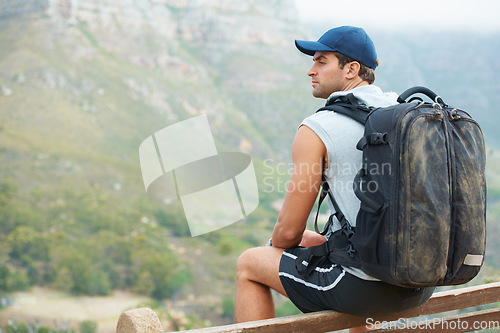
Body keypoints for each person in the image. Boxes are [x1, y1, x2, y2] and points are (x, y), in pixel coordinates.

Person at [235, 26, 434, 329]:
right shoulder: (404, 112)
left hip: (366, 291)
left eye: (321, 61)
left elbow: (288, 232)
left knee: (250, 263)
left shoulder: (318, 128)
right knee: (320, 242)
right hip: (418, 282)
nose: (310, 71)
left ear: (351, 69)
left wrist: (274, 248)